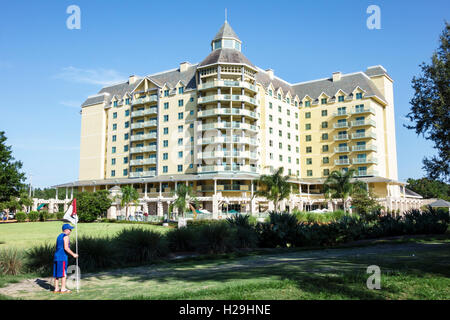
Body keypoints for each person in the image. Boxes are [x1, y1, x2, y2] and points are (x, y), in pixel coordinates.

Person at [53, 224, 78, 293]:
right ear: (66, 230)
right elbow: (66, 248)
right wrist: (74, 254)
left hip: (56, 256)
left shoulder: (59, 236)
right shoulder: (66, 237)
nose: (71, 231)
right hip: (62, 257)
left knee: (56, 273)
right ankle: (63, 289)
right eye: (70, 229)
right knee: (63, 273)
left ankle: (56, 289)